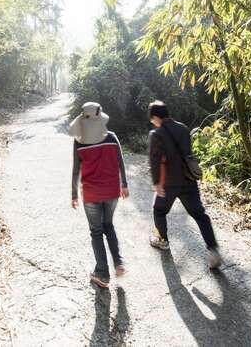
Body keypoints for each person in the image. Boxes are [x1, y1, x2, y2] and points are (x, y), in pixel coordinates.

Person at [147, 100, 222, 269]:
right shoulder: (183, 128)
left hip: (169, 183)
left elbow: (155, 159)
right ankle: (213, 250)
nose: (152, 121)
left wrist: (157, 183)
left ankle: (162, 240)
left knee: (159, 210)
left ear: (156, 117)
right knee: (200, 215)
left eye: (152, 118)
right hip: (188, 179)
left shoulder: (156, 134)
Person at [70, 102, 129, 288]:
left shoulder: (79, 142)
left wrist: (74, 195)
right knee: (108, 225)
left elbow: (75, 171)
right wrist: (124, 184)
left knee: (96, 232)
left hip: (91, 193)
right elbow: (121, 163)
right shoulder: (112, 137)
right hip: (112, 191)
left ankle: (102, 274)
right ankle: (119, 264)